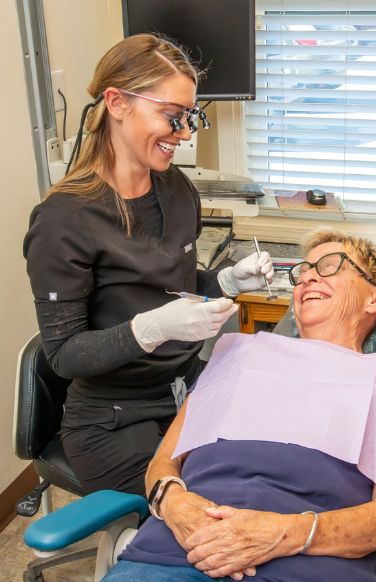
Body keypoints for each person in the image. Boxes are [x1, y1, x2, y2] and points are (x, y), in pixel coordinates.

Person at [102, 228, 376, 582]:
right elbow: (164, 461)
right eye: (302, 271)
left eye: (329, 265)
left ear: (375, 298)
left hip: (308, 567)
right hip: (179, 551)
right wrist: (174, 503)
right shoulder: (239, 357)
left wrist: (280, 533)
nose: (306, 276)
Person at [23, 33, 273, 497]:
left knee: (268, 472)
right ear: (117, 103)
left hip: (183, 389)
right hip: (112, 419)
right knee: (210, 507)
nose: (184, 133)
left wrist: (223, 281)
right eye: (171, 116)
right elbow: (63, 355)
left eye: (190, 117)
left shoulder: (177, 190)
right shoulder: (63, 221)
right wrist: (151, 329)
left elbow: (173, 288)